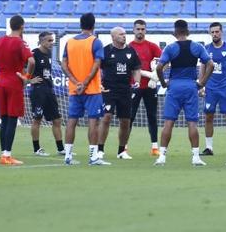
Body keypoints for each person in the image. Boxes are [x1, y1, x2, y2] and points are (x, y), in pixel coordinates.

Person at [154, 20, 214, 166]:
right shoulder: (197, 47)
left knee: (169, 122)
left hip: (174, 87)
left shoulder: (170, 48)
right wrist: (203, 83)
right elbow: (210, 64)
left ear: (175, 32)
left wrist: (163, 83)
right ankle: (195, 157)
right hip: (190, 86)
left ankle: (162, 156)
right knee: (192, 123)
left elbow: (159, 67)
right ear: (188, 32)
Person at [0, 15, 35, 166]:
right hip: (14, 83)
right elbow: (31, 61)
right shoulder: (20, 43)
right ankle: (7, 155)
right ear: (22, 26)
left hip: (1, 82)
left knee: (5, 120)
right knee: (12, 119)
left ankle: (3, 154)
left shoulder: (0, 41)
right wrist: (27, 76)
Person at [60, 13, 106, 166]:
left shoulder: (70, 42)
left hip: (74, 89)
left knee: (72, 121)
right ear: (93, 25)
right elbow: (97, 63)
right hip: (91, 89)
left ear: (80, 25)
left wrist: (75, 81)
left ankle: (67, 156)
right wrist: (85, 83)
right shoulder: (95, 42)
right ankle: (93, 157)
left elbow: (64, 64)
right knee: (93, 121)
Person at [98, 26, 141, 162]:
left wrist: (137, 82)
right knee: (107, 117)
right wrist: (98, 83)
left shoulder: (130, 51)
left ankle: (122, 151)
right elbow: (97, 68)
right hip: (109, 90)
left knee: (125, 121)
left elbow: (136, 69)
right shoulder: (106, 51)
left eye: (124, 34)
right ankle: (100, 150)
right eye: (121, 34)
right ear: (113, 37)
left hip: (125, 90)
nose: (124, 36)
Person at [203, 22, 226, 156]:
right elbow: (203, 67)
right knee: (208, 116)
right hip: (211, 89)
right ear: (210, 33)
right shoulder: (206, 49)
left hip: (225, 89)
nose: (215, 34)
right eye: (212, 32)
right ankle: (209, 148)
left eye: (217, 32)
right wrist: (201, 85)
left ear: (221, 32)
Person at [128, 19, 163, 157]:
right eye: (138, 29)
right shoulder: (129, 47)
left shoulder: (152, 46)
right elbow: (129, 68)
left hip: (150, 87)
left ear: (145, 30)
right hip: (134, 86)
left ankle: (155, 147)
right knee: (129, 117)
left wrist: (156, 77)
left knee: (152, 116)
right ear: (133, 30)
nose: (140, 31)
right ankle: (123, 147)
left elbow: (164, 62)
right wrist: (150, 75)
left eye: (143, 29)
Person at [29, 32, 64, 157]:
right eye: (49, 40)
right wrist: (29, 80)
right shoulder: (34, 54)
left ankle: (61, 149)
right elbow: (22, 68)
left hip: (49, 90)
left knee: (57, 119)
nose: (51, 43)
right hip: (38, 91)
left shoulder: (49, 54)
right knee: (37, 119)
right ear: (42, 41)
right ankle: (36, 149)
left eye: (52, 40)